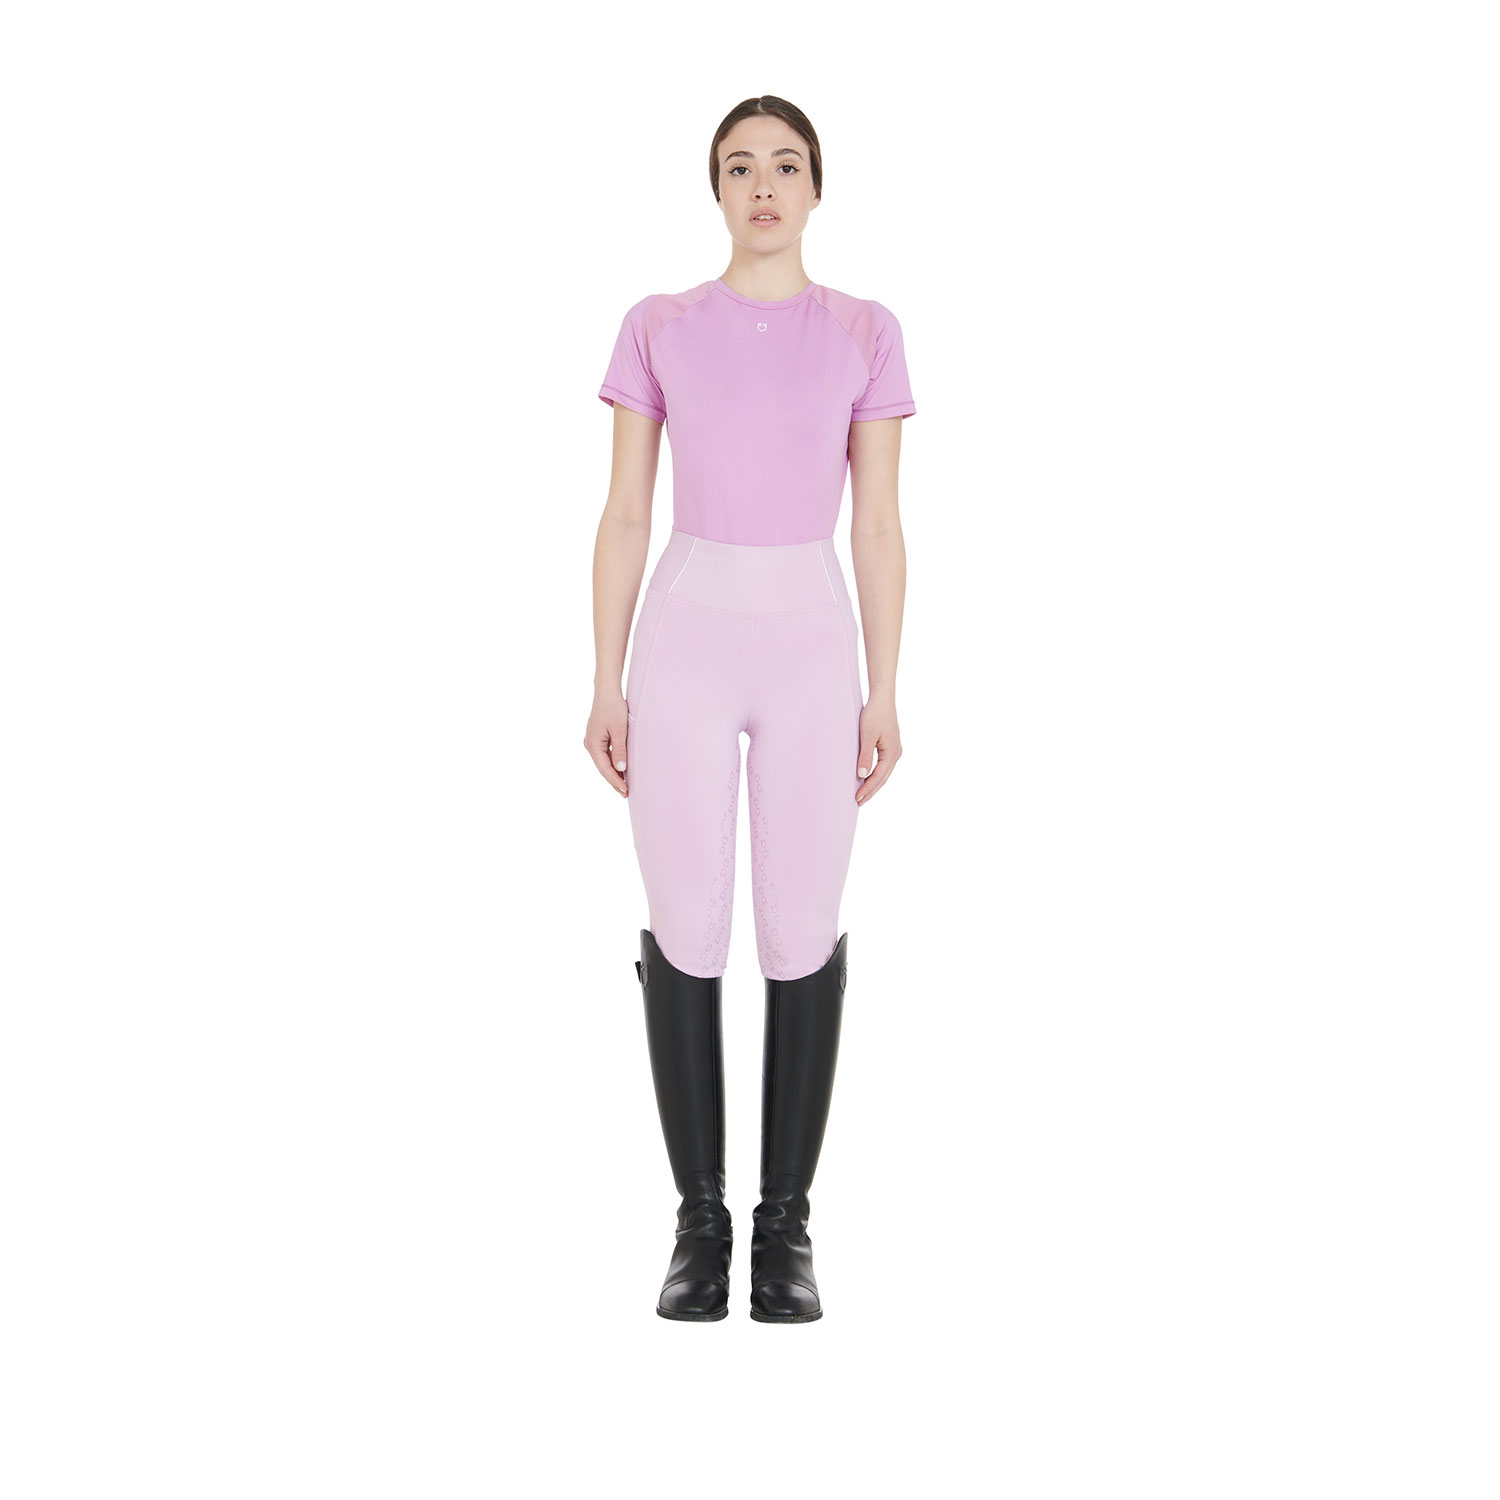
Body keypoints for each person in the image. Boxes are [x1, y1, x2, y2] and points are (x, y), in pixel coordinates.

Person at [584, 95, 915, 1323]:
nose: (763, 185)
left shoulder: (865, 331)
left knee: (802, 925)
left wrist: (887, 686)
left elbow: (877, 525)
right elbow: (627, 509)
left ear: (817, 187)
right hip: (687, 633)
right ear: (715, 189)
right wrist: (604, 675)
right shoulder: (659, 325)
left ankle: (786, 1230)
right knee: (685, 921)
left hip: (812, 642)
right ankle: (698, 1224)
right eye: (739, 166)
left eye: (785, 165)